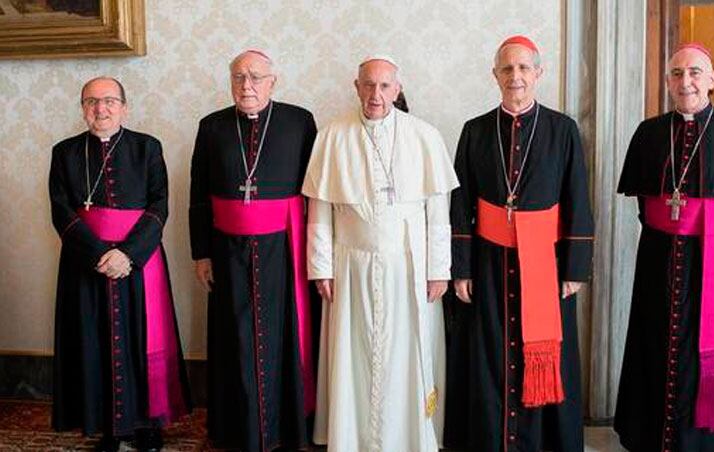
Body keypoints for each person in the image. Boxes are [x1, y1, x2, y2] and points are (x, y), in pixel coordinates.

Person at [615, 43, 714, 451]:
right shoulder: (649, 134)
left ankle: (711, 441)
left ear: (712, 79)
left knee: (709, 349)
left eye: (694, 72)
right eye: (676, 73)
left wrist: (713, 240)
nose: (685, 81)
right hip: (658, 260)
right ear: (668, 80)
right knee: (656, 344)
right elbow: (643, 206)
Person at [303, 54, 459, 452]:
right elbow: (319, 211)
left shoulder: (424, 135)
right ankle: (352, 438)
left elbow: (438, 212)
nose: (376, 94)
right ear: (356, 87)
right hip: (350, 265)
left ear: (398, 89)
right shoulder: (332, 135)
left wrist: (438, 269)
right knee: (352, 354)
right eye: (368, 85)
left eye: (385, 86)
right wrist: (321, 268)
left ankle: (410, 437)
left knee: (408, 354)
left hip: (409, 266)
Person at [447, 35, 594, 451]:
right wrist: (462, 269)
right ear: (495, 75)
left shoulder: (562, 129)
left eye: (524, 68)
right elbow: (461, 205)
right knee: (489, 354)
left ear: (538, 74)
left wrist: (575, 268)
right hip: (489, 261)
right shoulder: (474, 131)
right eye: (508, 69)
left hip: (547, 263)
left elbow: (578, 200)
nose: (516, 76)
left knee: (546, 354)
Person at [49, 77, 190, 452]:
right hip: (86, 263)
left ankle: (147, 427)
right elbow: (61, 211)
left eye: (110, 101)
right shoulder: (64, 152)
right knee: (94, 343)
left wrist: (127, 254)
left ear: (124, 107)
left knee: (142, 341)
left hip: (139, 264)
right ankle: (106, 428)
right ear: (82, 109)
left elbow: (160, 206)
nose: (101, 109)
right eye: (92, 102)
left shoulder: (147, 147)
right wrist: (98, 254)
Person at [189, 49, 318, 451]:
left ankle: (288, 426)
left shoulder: (299, 121)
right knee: (234, 337)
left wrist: (317, 252)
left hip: (284, 250)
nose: (247, 85)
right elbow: (198, 194)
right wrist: (202, 253)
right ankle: (235, 428)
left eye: (256, 77)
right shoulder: (211, 127)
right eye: (239, 77)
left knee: (286, 334)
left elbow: (315, 192)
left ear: (273, 81)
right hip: (227, 253)